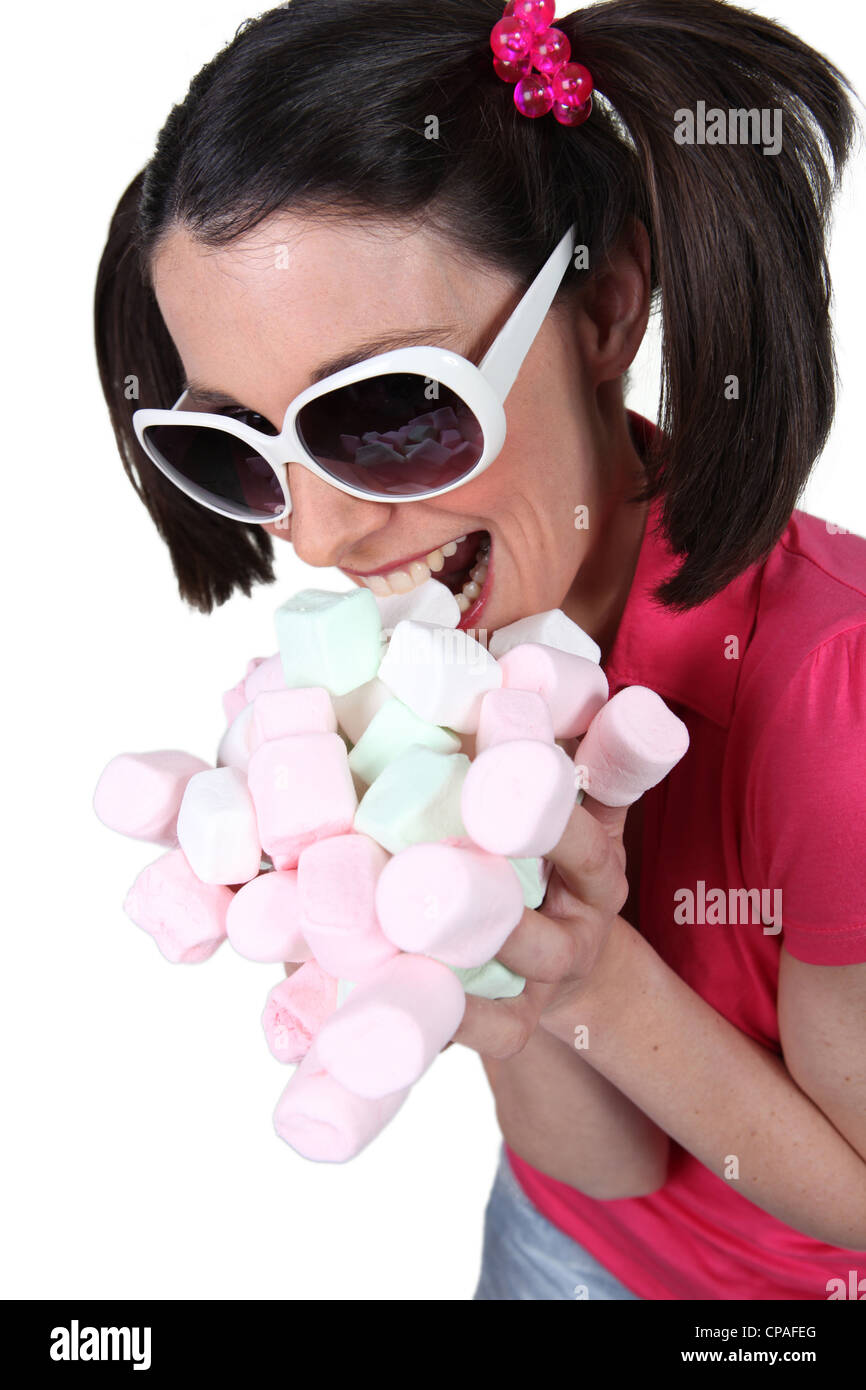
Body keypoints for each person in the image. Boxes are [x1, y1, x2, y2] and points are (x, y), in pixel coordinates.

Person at [94, 0, 866, 1300]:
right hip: (552, 1241)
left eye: (389, 414)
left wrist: (601, 975)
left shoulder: (835, 701)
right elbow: (603, 1172)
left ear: (604, 309)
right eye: (238, 448)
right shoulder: (465, 656)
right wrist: (492, 937)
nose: (319, 534)